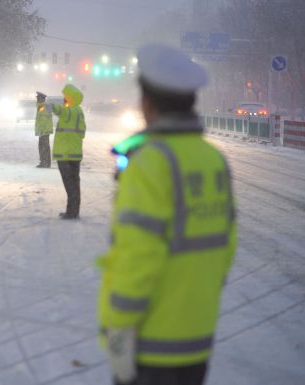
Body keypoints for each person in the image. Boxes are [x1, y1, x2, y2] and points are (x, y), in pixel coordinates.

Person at [96, 43, 237, 385]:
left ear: (147, 101)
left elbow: (137, 256)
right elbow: (226, 249)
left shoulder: (150, 163)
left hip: (151, 342)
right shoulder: (213, 159)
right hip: (198, 337)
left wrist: (119, 326)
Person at [47, 84, 86, 219]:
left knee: (69, 183)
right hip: (75, 153)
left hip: (65, 154)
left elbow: (61, 111)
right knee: (75, 182)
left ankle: (72, 212)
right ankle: (73, 211)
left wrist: (52, 106)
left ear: (70, 98)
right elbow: (82, 133)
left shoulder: (70, 111)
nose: (64, 99)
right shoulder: (79, 111)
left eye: (66, 97)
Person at [34, 92, 53, 168]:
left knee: (43, 147)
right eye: (37, 98)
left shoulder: (43, 107)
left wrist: (41, 130)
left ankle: (44, 163)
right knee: (45, 146)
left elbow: (43, 119)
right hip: (45, 130)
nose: (37, 99)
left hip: (44, 130)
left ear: (42, 99)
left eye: (38, 98)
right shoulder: (43, 106)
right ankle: (46, 163)